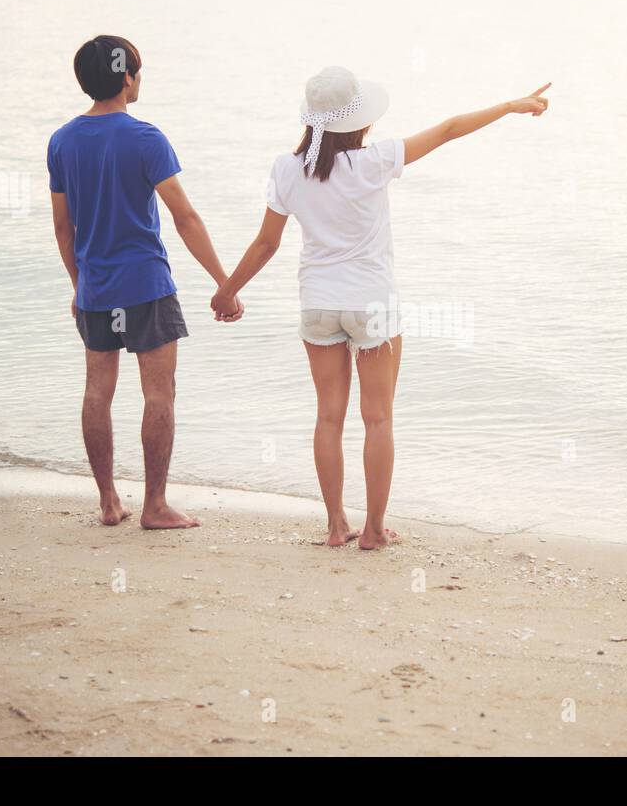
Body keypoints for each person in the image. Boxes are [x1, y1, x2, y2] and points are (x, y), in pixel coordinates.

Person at [211, 65, 549, 548]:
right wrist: (512, 106)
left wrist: (227, 290)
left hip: (319, 306)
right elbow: (451, 129)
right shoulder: (376, 162)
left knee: (329, 416)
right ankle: (372, 530)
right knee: (379, 419)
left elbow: (266, 243)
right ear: (360, 122)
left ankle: (334, 526)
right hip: (372, 306)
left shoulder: (288, 169)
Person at [48, 35, 242, 529]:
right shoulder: (145, 138)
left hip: (96, 290)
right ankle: (154, 506)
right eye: (139, 70)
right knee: (159, 394)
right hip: (146, 286)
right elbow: (185, 217)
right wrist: (224, 281)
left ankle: (109, 501)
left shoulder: (62, 141)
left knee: (97, 391)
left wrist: (79, 284)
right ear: (127, 77)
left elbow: (63, 228)